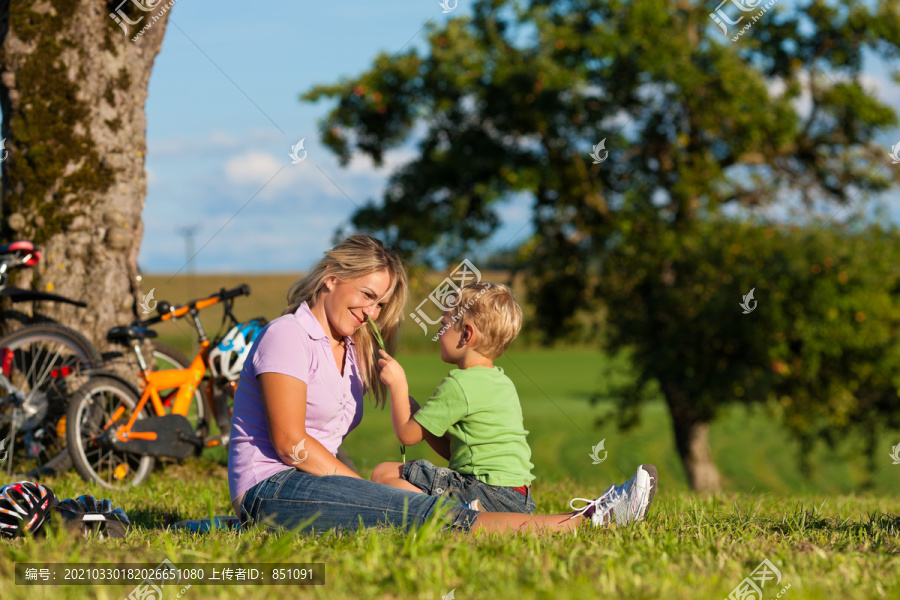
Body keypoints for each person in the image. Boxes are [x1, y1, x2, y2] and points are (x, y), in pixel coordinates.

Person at [227, 234, 658, 534]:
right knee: (427, 515)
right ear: (331, 278)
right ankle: (585, 523)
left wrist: (352, 487)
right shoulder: (288, 334)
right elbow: (290, 444)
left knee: (412, 507)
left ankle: (586, 519)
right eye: (366, 295)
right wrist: (354, 488)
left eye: (380, 303)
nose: (372, 313)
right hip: (272, 486)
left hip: (310, 483)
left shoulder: (346, 348)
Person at [370, 282, 537, 514]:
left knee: (382, 474)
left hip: (484, 491)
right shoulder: (501, 381)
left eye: (443, 325)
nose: (438, 334)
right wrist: (424, 420)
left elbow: (407, 435)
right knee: (391, 474)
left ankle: (453, 514)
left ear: (466, 334)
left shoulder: (460, 383)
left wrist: (398, 385)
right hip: (517, 498)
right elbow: (457, 452)